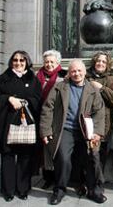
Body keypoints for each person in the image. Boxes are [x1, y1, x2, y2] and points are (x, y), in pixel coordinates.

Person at [40, 59, 106, 205]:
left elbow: (99, 112)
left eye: (79, 71)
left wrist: (97, 133)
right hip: (65, 129)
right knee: (63, 158)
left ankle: (94, 190)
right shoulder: (60, 87)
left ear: (84, 72)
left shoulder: (92, 90)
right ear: (69, 73)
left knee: (92, 157)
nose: (76, 74)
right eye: (73, 71)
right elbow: (47, 109)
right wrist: (45, 131)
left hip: (86, 131)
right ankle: (60, 189)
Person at [0, 50, 42, 202]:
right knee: (8, 156)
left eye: (22, 60)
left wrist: (25, 102)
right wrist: (9, 98)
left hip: (26, 124)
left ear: (27, 62)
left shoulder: (33, 79)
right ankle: (8, 190)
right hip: (6, 123)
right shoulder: (4, 78)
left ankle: (23, 189)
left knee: (25, 157)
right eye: (15, 60)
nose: (18, 63)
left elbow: (38, 98)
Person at [36, 50, 67, 189]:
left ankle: (58, 179)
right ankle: (47, 177)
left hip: (57, 117)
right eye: (46, 62)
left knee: (57, 148)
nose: (49, 64)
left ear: (58, 63)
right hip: (41, 117)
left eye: (52, 62)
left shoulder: (64, 76)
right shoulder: (38, 76)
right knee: (44, 149)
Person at [86, 51, 113, 168]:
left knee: (101, 153)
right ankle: (86, 181)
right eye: (98, 61)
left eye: (104, 61)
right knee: (87, 152)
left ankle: (98, 180)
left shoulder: (111, 79)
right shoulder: (85, 75)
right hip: (87, 119)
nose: (100, 63)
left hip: (104, 121)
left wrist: (101, 88)